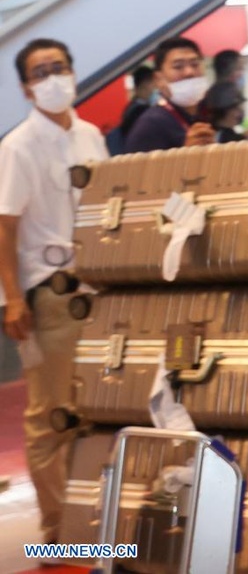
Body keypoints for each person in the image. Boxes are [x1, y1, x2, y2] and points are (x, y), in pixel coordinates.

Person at [0, 38, 108, 549]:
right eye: (40, 73)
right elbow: (4, 228)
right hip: (48, 296)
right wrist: (11, 300)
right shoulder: (18, 145)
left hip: (98, 290)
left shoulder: (90, 135)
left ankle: (94, 521)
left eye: (58, 68)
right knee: (49, 415)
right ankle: (56, 530)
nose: (52, 79)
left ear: (73, 71)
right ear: (25, 87)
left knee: (97, 407)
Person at [124, 37, 215, 152]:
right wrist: (186, 155)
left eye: (195, 64)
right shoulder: (152, 125)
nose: (189, 72)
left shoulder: (203, 113)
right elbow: (137, 170)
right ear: (159, 79)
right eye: (178, 66)